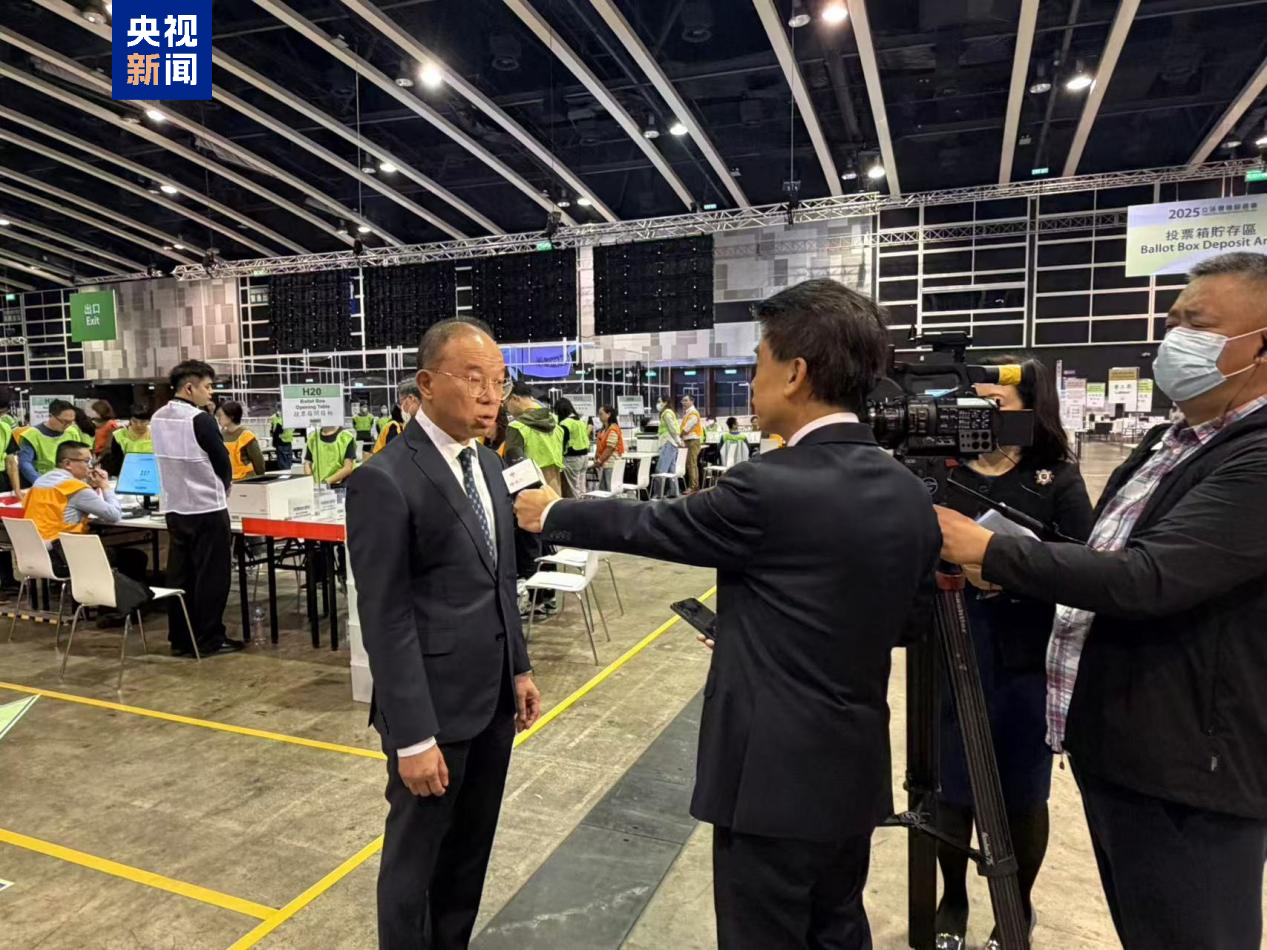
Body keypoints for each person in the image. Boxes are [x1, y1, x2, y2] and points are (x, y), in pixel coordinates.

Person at [516, 278, 940, 950]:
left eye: (758, 363)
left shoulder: (768, 485)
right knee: (837, 929)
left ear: (795, 374)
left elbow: (655, 526)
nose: (750, 380)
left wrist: (554, 512)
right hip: (851, 773)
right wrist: (765, 633)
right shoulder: (910, 492)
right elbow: (905, 624)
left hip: (767, 783)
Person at [936, 252, 1267, 950]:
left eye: (1197, 324)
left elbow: (1147, 577)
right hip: (1124, 753)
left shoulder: (1255, 455)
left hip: (1192, 773)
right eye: (1172, 321)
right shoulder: (1170, 441)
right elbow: (1098, 559)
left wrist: (989, 550)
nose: (1173, 339)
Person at [346, 317, 540, 950]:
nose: (491, 396)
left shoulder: (488, 465)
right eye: (474, 379)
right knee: (416, 862)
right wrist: (412, 736)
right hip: (432, 713)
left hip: (492, 702)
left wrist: (519, 668)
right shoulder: (384, 478)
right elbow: (386, 616)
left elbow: (500, 579)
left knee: (468, 854)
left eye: (500, 382)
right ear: (427, 384)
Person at [932, 356, 1094, 950]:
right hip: (952, 645)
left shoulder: (1056, 478)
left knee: (1022, 792)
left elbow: (1084, 565)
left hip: (1025, 654)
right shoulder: (944, 472)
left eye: (995, 404)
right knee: (951, 787)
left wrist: (1010, 570)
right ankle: (953, 897)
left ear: (1030, 410)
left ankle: (1016, 905)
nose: (981, 413)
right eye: (973, 403)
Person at [151, 360, 241, 657]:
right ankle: (208, 638)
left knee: (181, 576)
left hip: (175, 507)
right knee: (211, 576)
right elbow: (222, 462)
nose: (210, 392)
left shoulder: (157, 418)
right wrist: (223, 488)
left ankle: (180, 638)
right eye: (207, 386)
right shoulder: (200, 419)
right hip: (207, 508)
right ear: (189, 388)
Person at [22, 441, 147, 584]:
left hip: (36, 554)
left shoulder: (40, 482)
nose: (90, 466)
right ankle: (122, 597)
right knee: (136, 557)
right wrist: (104, 486)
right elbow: (114, 515)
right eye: (87, 461)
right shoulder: (75, 488)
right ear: (68, 463)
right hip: (64, 556)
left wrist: (90, 487)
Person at [503, 382, 564, 495]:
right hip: (555, 490)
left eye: (506, 405)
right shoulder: (555, 422)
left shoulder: (516, 427)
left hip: (531, 493)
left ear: (515, 399)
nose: (507, 410)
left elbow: (515, 470)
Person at [18, 399, 91, 486]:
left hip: (69, 480)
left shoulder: (72, 432)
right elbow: (25, 463)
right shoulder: (32, 435)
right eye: (64, 421)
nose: (68, 425)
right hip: (44, 480)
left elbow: (80, 455)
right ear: (50, 416)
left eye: (71, 422)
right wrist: (41, 482)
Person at [216, 402, 265, 481]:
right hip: (228, 480)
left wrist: (260, 479)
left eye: (221, 415)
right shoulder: (220, 435)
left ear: (231, 417)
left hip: (247, 479)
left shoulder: (246, 435)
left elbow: (258, 460)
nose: (218, 418)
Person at [102, 405, 153, 478]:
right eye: (134, 421)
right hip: (124, 474)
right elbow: (116, 461)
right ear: (130, 420)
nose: (138, 425)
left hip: (150, 474)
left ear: (149, 421)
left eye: (143, 422)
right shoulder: (120, 436)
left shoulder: (155, 435)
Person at [373, 381, 422, 455]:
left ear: (411, 398)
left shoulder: (415, 426)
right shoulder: (395, 426)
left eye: (401, 402)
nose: (401, 407)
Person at [555, 397, 591, 498]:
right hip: (584, 457)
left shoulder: (565, 423)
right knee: (582, 486)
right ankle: (584, 504)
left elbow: (562, 442)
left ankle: (576, 506)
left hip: (572, 458)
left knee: (573, 488)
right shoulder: (580, 421)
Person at [653, 395, 683, 498]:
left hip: (667, 442)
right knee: (671, 470)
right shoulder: (670, 412)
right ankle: (674, 492)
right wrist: (678, 441)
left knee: (661, 470)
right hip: (672, 443)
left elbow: (672, 429)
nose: (658, 404)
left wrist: (678, 440)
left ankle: (658, 494)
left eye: (660, 401)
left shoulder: (666, 413)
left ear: (665, 402)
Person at [594, 405, 624, 492]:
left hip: (611, 464)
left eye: (601, 414)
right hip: (605, 464)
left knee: (610, 490)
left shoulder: (613, 429)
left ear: (609, 414)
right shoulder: (603, 429)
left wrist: (600, 460)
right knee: (603, 490)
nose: (599, 416)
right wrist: (597, 458)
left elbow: (609, 448)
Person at [680, 394, 703, 492]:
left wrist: (679, 435)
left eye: (686, 400)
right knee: (691, 464)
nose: (683, 402)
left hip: (692, 440)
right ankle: (694, 485)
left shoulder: (693, 413)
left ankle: (693, 486)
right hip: (689, 440)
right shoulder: (687, 413)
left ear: (692, 401)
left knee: (691, 464)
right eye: (683, 401)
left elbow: (687, 428)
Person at [269, 404, 294, 470]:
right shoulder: (289, 417)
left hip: (281, 442)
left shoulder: (277, 418)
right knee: (288, 462)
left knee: (283, 464)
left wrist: (274, 441)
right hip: (288, 442)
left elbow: (275, 431)